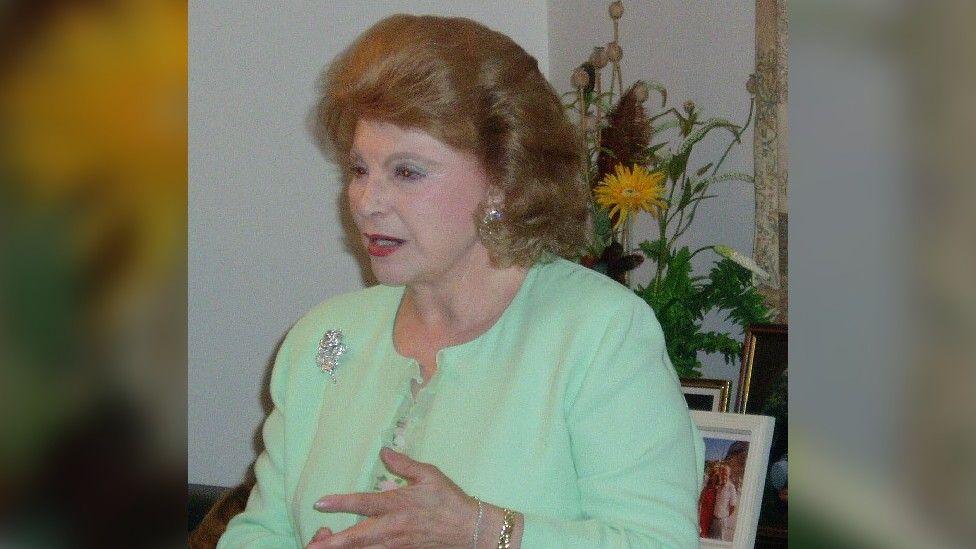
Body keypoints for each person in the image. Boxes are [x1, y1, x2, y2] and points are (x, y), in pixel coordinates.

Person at [217, 13, 704, 549]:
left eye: (407, 172)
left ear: (503, 179)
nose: (366, 202)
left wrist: (480, 530)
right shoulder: (324, 339)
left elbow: (658, 542)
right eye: (359, 170)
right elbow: (261, 531)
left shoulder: (600, 333)